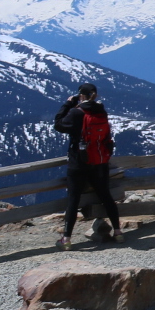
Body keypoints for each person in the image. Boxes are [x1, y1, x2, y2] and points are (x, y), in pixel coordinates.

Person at [53, 82, 120, 250]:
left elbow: (58, 124)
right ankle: (118, 232)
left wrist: (68, 104)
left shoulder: (77, 112)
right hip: (99, 161)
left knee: (73, 199)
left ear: (81, 95)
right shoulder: (101, 111)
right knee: (106, 196)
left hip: (79, 162)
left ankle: (66, 239)